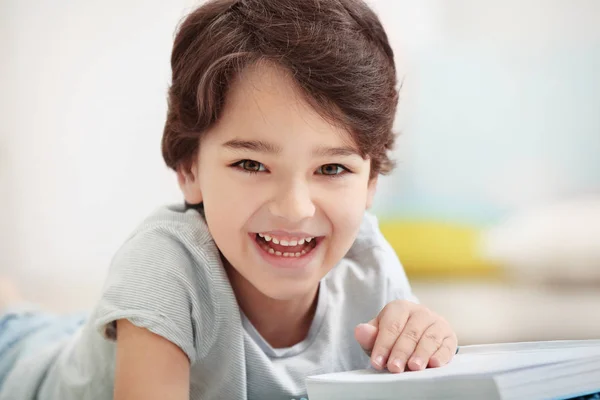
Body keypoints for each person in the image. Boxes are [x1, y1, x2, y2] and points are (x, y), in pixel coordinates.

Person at [0, 0, 457, 399]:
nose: (295, 208)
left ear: (372, 180)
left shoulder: (369, 267)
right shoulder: (162, 270)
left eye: (332, 169)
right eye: (252, 165)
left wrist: (421, 344)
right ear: (189, 169)